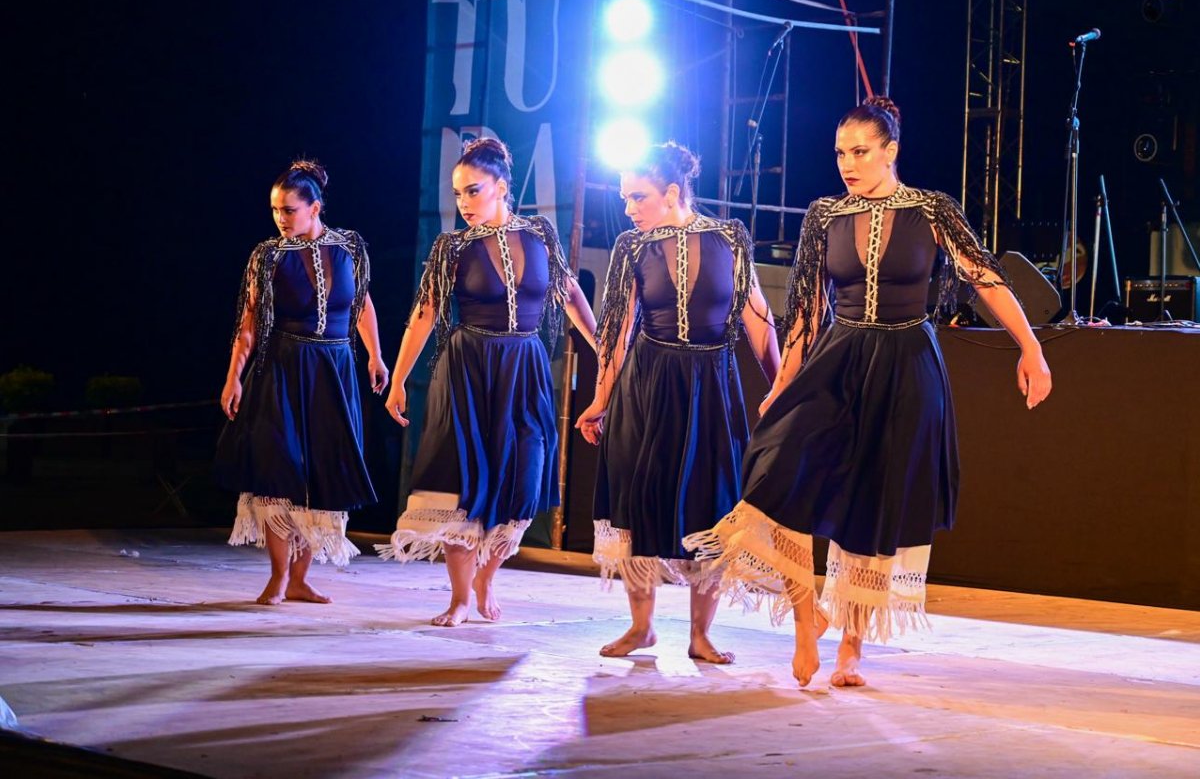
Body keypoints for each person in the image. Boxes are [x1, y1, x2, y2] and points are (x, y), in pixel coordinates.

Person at [684, 97, 1053, 687]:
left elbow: (983, 277)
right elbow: (807, 311)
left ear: (891, 151)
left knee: (874, 504)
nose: (848, 164)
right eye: (840, 153)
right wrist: (783, 383)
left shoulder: (931, 210)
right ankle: (807, 619)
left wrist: (1030, 347)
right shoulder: (824, 215)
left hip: (908, 363)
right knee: (776, 469)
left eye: (860, 152)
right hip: (840, 356)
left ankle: (851, 648)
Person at [575, 141, 780, 664]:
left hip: (711, 384)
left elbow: (758, 318)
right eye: (624, 198)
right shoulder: (631, 247)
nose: (628, 208)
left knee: (711, 506)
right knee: (637, 498)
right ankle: (641, 627)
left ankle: (700, 636)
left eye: (637, 196)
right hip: (648, 382)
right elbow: (616, 331)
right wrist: (600, 398)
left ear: (671, 193)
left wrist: (780, 388)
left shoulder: (729, 238)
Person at [378, 137, 597, 626]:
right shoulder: (452, 248)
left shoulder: (540, 234)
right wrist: (398, 380)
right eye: (457, 193)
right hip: (468, 370)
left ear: (501, 186)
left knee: (525, 480)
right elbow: (424, 313)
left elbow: (568, 292)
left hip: (525, 370)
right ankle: (459, 597)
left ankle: (486, 576)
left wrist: (601, 348)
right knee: (461, 486)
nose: (463, 202)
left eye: (473, 190)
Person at [216, 159, 389, 605]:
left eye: (289, 210)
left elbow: (362, 305)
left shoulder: (349, 247)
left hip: (334, 368)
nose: (280, 218)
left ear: (315, 207)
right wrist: (234, 377)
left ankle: (299, 578)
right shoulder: (268, 255)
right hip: (283, 366)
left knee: (321, 471)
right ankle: (278, 576)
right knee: (279, 467)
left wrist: (375, 355)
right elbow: (249, 323)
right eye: (275, 209)